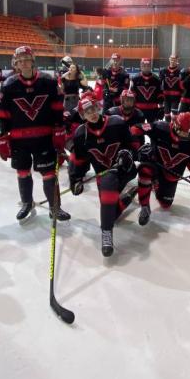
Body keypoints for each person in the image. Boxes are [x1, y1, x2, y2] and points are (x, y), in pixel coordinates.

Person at [0, 45, 70, 222]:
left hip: (44, 137)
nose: (24, 63)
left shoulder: (48, 81)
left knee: (49, 173)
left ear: (33, 61)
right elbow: (3, 113)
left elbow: (57, 107)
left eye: (27, 60)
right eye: (20, 61)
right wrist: (3, 137)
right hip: (18, 139)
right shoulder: (8, 85)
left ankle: (54, 207)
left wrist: (59, 129)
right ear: (16, 64)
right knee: (22, 172)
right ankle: (27, 203)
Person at [69, 95, 139, 257]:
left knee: (108, 189)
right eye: (87, 112)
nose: (92, 114)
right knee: (110, 214)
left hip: (124, 170)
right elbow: (79, 160)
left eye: (93, 109)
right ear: (82, 115)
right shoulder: (80, 134)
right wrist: (76, 179)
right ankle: (128, 197)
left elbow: (133, 145)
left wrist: (127, 154)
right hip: (104, 176)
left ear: (98, 107)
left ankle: (106, 233)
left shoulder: (117, 123)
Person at [136, 112, 190, 218]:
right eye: (185, 133)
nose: (188, 136)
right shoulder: (160, 127)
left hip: (172, 175)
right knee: (145, 170)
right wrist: (135, 148)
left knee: (165, 204)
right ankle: (144, 205)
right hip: (155, 164)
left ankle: (155, 183)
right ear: (176, 127)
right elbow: (137, 128)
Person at [131, 58, 163, 123]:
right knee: (138, 128)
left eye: (148, 65)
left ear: (150, 66)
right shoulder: (135, 79)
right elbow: (132, 93)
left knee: (153, 128)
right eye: (144, 65)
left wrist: (161, 105)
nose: (146, 67)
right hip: (138, 109)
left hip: (153, 109)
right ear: (141, 66)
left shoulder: (157, 79)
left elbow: (160, 93)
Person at [159, 53, 183, 121]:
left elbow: (183, 85)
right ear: (169, 59)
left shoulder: (181, 71)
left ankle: (175, 127)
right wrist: (160, 98)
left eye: (174, 59)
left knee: (175, 115)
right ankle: (168, 127)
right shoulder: (163, 70)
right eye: (171, 59)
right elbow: (159, 84)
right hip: (166, 97)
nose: (173, 61)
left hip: (176, 97)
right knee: (166, 114)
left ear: (177, 60)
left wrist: (182, 95)